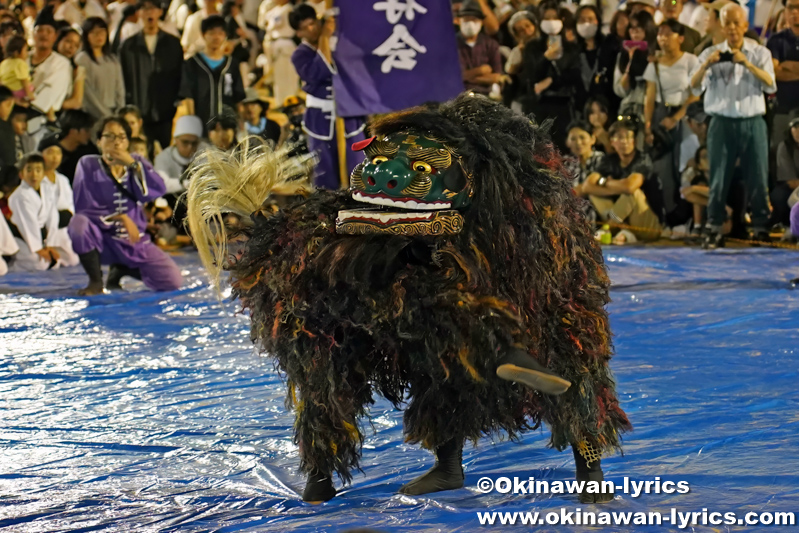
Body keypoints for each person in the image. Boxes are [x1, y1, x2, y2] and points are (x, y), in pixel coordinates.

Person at [186, 93, 629, 505]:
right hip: (425, 276)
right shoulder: (371, 206)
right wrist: (274, 233)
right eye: (385, 160)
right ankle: (355, 469)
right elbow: (332, 229)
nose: (393, 171)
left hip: (513, 281)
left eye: (419, 166)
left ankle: (590, 471)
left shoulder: (527, 222)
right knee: (370, 343)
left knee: (574, 370)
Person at [690, 3, 777, 248]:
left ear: (745, 25)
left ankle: (760, 227)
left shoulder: (759, 53)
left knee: (758, 175)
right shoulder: (710, 53)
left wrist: (746, 64)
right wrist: (707, 64)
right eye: (726, 22)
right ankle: (715, 227)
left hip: (753, 121)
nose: (732, 28)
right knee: (718, 176)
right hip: (721, 122)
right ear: (720, 24)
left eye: (736, 23)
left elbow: (771, 85)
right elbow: (694, 86)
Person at [68, 115, 182, 295]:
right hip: (102, 237)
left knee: (172, 280)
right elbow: (84, 206)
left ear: (127, 142)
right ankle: (95, 281)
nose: (116, 142)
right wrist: (122, 218)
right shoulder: (88, 164)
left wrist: (133, 165)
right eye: (109, 136)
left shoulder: (136, 162)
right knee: (78, 224)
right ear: (99, 141)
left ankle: (122, 269)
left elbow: (158, 188)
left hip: (133, 239)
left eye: (122, 137)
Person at [289, 3, 365, 189]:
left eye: (314, 23)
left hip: (349, 114)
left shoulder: (339, 44)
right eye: (306, 27)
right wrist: (324, 37)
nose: (312, 28)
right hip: (320, 119)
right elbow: (318, 72)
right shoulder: (299, 55)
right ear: (299, 33)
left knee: (357, 166)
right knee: (325, 171)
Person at [643, 20, 699, 216]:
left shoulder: (691, 61)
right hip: (660, 114)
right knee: (663, 168)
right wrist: (648, 126)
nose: (663, 38)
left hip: (684, 116)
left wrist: (677, 117)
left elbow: (695, 93)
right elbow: (649, 97)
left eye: (668, 34)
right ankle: (670, 215)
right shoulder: (654, 64)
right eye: (660, 34)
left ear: (680, 38)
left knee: (684, 165)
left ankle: (688, 216)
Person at [582, 119, 663, 243]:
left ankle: (608, 228)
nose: (624, 142)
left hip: (648, 224)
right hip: (622, 219)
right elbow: (587, 186)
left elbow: (630, 186)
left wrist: (606, 183)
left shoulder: (642, 159)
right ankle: (624, 233)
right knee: (594, 194)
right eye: (619, 137)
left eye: (628, 137)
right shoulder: (609, 160)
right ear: (612, 142)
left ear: (634, 141)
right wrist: (613, 188)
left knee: (632, 194)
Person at [119, 0, 184, 149]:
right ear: (139, 13)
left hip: (166, 111)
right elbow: (124, 79)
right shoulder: (128, 47)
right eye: (145, 9)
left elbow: (180, 75)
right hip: (139, 112)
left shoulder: (173, 44)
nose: (150, 13)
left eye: (153, 8)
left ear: (160, 12)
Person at [8, 152, 79, 271]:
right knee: (39, 264)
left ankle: (46, 257)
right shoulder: (20, 196)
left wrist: (50, 244)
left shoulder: (47, 189)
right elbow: (27, 224)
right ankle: (11, 263)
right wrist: (39, 248)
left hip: (42, 234)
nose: (34, 174)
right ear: (21, 174)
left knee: (72, 259)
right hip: (20, 236)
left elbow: (52, 217)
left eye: (38, 170)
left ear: (43, 173)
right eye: (29, 170)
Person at [179, 14, 245, 135]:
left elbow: (238, 97)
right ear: (204, 35)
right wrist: (193, 124)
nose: (216, 37)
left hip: (228, 128)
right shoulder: (193, 63)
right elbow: (188, 96)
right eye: (212, 33)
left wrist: (241, 125)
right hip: (202, 124)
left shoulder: (232, 64)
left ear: (225, 36)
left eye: (220, 33)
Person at [28, 6, 72, 141]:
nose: (44, 34)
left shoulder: (61, 64)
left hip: (42, 122)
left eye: (49, 31)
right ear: (33, 34)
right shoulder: (22, 59)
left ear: (55, 36)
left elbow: (47, 98)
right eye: (39, 30)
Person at [75, 17, 126, 123]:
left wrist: (119, 113)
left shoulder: (112, 59)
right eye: (94, 32)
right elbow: (87, 93)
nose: (99, 36)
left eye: (102, 32)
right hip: (92, 115)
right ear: (86, 36)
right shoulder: (82, 59)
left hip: (113, 113)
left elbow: (120, 89)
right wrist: (106, 115)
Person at [456, 0, 507, 97]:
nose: (470, 23)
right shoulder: (452, 45)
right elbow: (452, 77)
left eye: (474, 19)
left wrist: (467, 76)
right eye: (466, 19)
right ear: (458, 21)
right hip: (459, 97)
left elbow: (497, 77)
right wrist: (481, 71)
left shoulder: (491, 44)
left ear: (481, 22)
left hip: (486, 97)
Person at [767, 0, 799, 149]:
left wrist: (787, 66)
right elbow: (772, 73)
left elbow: (780, 69)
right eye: (790, 7)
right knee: (779, 154)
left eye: (798, 7)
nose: (794, 12)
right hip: (782, 110)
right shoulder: (776, 40)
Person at [262, 0, 299, 103]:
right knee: (278, 76)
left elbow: (274, 24)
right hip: (273, 44)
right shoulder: (274, 10)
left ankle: (290, 102)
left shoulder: (288, 8)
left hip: (284, 43)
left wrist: (268, 22)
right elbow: (263, 23)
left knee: (287, 74)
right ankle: (281, 102)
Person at [39, 133, 75, 234]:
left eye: (58, 153)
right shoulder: (36, 181)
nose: (55, 157)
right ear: (41, 154)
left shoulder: (63, 180)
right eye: (50, 152)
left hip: (66, 227)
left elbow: (71, 204)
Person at [770, 115, 799, 227]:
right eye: (795, 127)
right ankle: (787, 223)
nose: (797, 131)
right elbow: (791, 182)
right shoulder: (786, 147)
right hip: (793, 189)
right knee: (780, 196)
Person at [56, 110, 99, 182]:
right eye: (86, 130)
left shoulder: (88, 150)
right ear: (73, 131)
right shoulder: (52, 150)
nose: (89, 134)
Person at [55, 27, 86, 111]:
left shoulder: (77, 70)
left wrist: (51, 105)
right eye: (68, 41)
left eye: (76, 45)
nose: (71, 47)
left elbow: (76, 101)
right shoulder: (47, 62)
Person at [0, 35, 35, 103]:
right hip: (19, 92)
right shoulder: (20, 63)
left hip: (7, 92)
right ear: (16, 53)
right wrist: (29, 95)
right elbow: (24, 80)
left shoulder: (4, 63)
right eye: (25, 50)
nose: (27, 54)